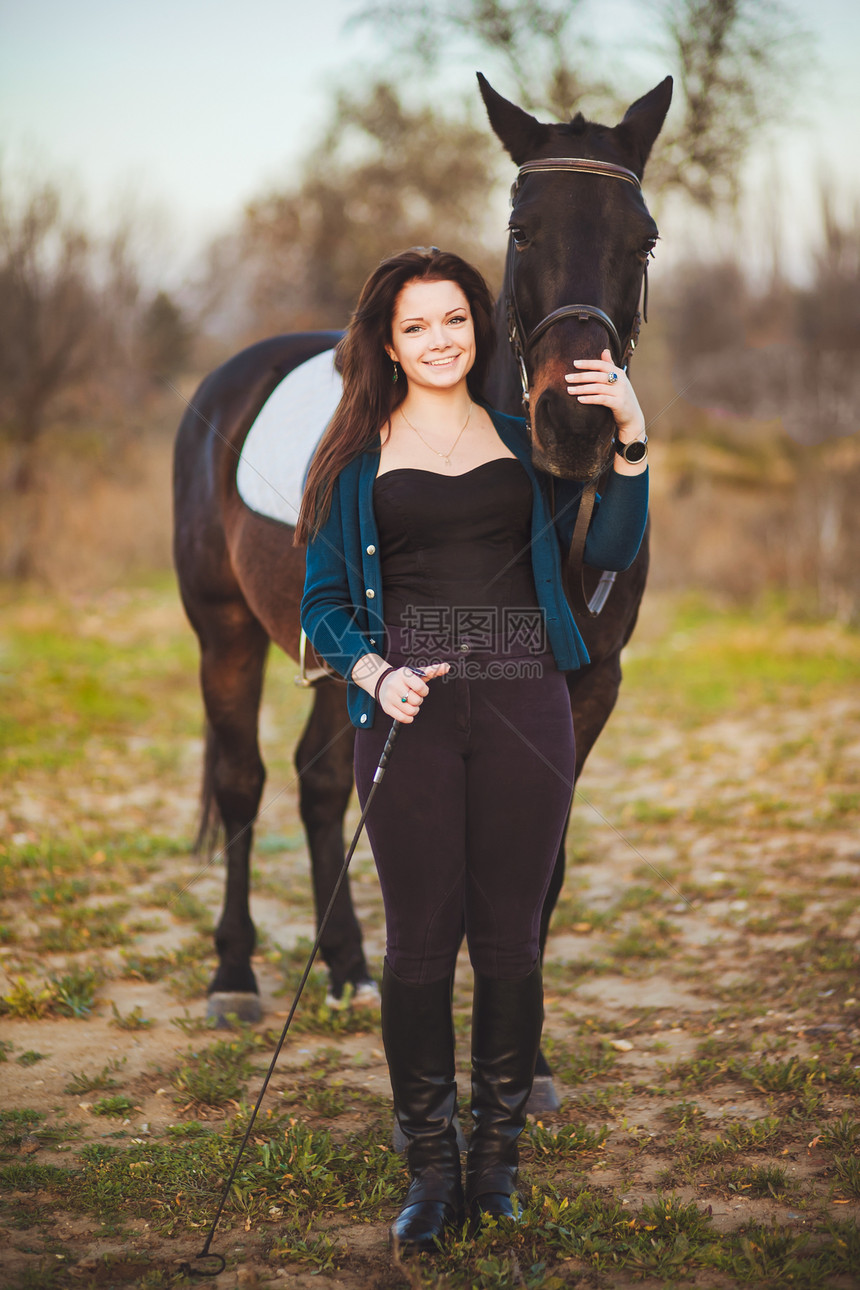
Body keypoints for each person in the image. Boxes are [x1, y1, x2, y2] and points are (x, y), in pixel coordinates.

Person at [296, 248, 648, 1252]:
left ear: (479, 327)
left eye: (453, 319)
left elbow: (612, 548)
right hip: (406, 716)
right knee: (415, 944)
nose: (438, 339)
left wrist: (630, 435)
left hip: (522, 704)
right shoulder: (353, 460)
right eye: (415, 326)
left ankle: (493, 1167)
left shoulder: (522, 438)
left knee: (507, 939)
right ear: (387, 343)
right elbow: (325, 605)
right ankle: (428, 1172)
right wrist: (373, 675)